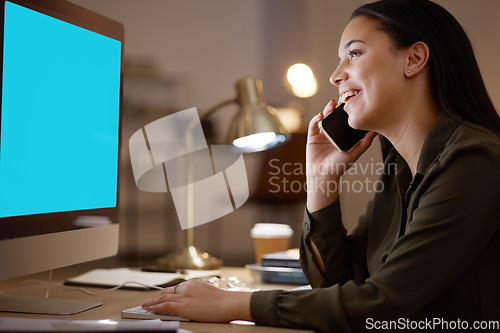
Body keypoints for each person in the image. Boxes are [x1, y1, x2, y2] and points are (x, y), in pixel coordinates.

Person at [142, 0, 500, 331]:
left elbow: (381, 305)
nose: (336, 75)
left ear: (414, 59)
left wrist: (236, 304)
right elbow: (340, 284)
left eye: (354, 54)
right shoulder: (400, 169)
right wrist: (321, 179)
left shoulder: (473, 162)